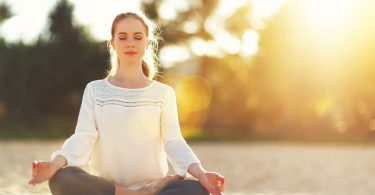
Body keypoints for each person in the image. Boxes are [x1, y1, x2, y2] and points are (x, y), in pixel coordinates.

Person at [28, 10, 224, 195]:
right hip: (110, 189)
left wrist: (201, 174)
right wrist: (55, 165)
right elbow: (83, 137)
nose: (130, 43)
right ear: (112, 43)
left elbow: (174, 142)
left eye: (138, 37)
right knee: (62, 178)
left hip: (154, 186)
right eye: (123, 37)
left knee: (197, 189)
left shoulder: (163, 93)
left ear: (147, 43)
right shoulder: (95, 90)